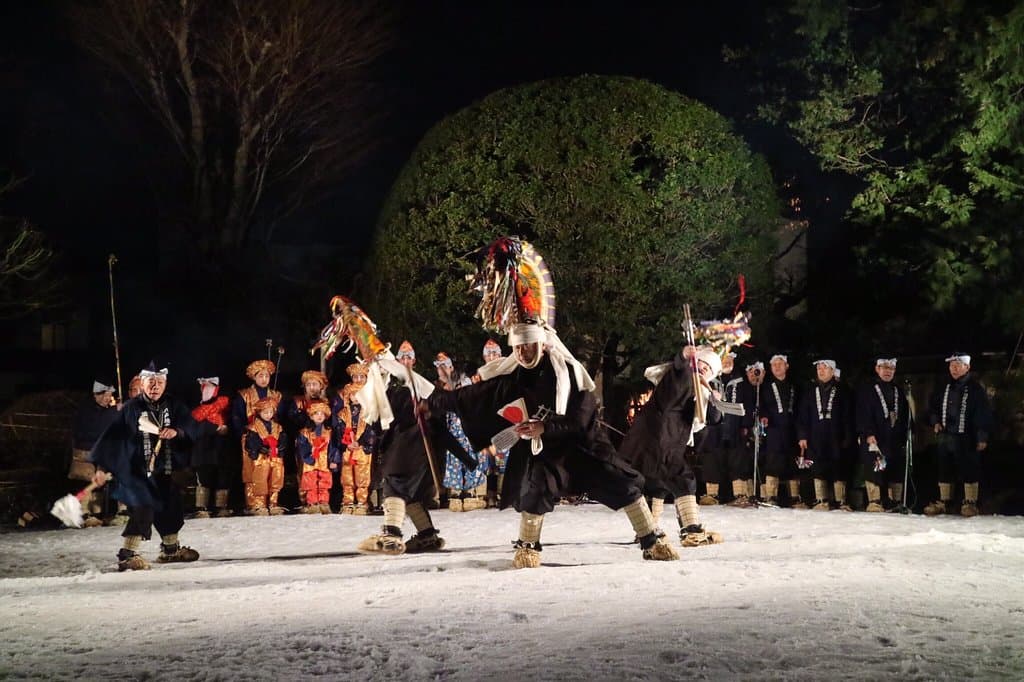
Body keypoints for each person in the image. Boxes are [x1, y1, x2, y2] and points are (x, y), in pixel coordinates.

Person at [427, 320, 677, 568]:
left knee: (621, 481)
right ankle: (527, 546)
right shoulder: (513, 377)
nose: (522, 353)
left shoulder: (570, 373)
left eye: (528, 346)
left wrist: (544, 427)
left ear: (542, 345)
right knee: (536, 489)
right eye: (517, 348)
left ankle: (651, 540)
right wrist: (434, 402)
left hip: (582, 447)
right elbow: (472, 396)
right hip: (544, 453)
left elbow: (580, 420)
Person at [88, 360, 205, 571]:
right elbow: (111, 439)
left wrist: (177, 432)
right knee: (144, 506)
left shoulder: (175, 405)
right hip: (138, 472)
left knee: (171, 506)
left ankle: (170, 550)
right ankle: (127, 554)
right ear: (142, 383)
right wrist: (101, 467)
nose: (155, 386)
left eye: (159, 382)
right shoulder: (131, 408)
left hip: (166, 469)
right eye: (151, 381)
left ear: (165, 383)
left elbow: (192, 428)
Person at [618, 345, 726, 548]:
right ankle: (691, 531)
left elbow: (713, 418)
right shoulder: (681, 376)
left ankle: (647, 532)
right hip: (655, 439)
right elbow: (678, 371)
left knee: (656, 485)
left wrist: (715, 401)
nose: (705, 370)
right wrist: (684, 357)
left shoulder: (703, 392)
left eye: (709, 370)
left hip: (668, 443)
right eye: (703, 364)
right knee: (683, 480)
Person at [356, 340, 453, 555]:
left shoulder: (422, 387)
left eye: (410, 358)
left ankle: (391, 534)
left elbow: (438, 419)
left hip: (412, 451)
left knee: (395, 486)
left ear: (414, 361)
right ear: (397, 361)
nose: (406, 361)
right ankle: (427, 535)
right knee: (412, 494)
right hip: (403, 449)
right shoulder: (393, 388)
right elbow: (380, 419)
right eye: (403, 358)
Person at [925, 353, 993, 517]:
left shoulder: (976, 389)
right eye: (951, 365)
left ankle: (970, 503)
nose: (954, 369)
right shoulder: (943, 386)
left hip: (967, 436)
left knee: (969, 467)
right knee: (944, 467)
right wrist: (935, 421)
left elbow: (982, 414)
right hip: (946, 435)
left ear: (967, 367)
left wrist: (982, 436)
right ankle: (945, 502)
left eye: (958, 365)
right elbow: (932, 408)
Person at [797, 359, 854, 511]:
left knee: (838, 467)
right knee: (818, 467)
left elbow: (848, 415)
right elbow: (803, 415)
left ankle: (840, 501)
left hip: (836, 434)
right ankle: (821, 500)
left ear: (832, 370)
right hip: (815, 435)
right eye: (819, 369)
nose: (821, 371)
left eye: (824, 368)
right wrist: (802, 436)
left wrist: (848, 436)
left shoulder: (843, 390)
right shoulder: (810, 390)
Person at [436, 352, 489, 512]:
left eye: (445, 366)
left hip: (470, 428)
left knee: (474, 455)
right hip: (454, 430)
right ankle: (456, 493)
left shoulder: (464, 383)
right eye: (439, 367)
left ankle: (471, 492)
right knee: (454, 459)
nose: (442, 370)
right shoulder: (440, 388)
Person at [855, 358, 910, 512]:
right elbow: (863, 413)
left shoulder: (898, 390)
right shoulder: (868, 390)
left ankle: (894, 501)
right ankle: (875, 501)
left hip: (893, 437)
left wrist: (906, 433)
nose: (888, 371)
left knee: (894, 467)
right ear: (877, 369)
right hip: (875, 437)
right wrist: (868, 433)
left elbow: (905, 415)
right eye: (884, 368)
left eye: (891, 368)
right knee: (875, 466)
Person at [232, 359, 282, 513]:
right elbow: (237, 417)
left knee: (274, 468)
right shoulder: (244, 394)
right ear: (254, 377)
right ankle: (255, 503)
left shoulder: (275, 395)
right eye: (260, 375)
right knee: (253, 470)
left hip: (272, 435)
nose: (264, 379)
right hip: (252, 437)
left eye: (267, 375)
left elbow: (279, 417)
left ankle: (273, 503)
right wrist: (245, 433)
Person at [70, 379, 121, 527]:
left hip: (99, 452)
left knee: (102, 480)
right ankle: (85, 513)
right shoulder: (87, 411)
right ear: (96, 395)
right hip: (85, 452)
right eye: (106, 395)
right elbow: (94, 430)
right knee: (88, 480)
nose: (108, 398)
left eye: (110, 395)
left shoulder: (106, 411)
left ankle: (96, 513)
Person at [332, 363, 378, 514]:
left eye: (361, 376)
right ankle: (348, 502)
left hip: (362, 449)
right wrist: (345, 443)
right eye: (353, 394)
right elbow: (338, 428)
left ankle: (362, 502)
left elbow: (372, 430)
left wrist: (361, 442)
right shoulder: (343, 413)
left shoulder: (369, 411)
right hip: (348, 449)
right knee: (347, 477)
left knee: (362, 476)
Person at [759, 354, 800, 507]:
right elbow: (761, 405)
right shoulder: (765, 386)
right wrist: (764, 416)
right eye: (774, 364)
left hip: (791, 429)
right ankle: (771, 497)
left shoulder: (794, 385)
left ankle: (795, 497)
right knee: (772, 461)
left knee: (792, 461)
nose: (777, 367)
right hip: (773, 429)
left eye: (780, 364)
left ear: (786, 366)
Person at [189, 376, 233, 518]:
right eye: (205, 387)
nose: (208, 390)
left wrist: (226, 428)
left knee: (223, 477)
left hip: (221, 449)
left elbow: (233, 423)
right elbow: (194, 429)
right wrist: (214, 428)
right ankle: (202, 507)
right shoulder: (197, 412)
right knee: (204, 478)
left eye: (211, 387)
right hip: (203, 450)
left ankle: (222, 507)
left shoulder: (224, 406)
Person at [242, 396, 287, 515]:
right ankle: (259, 504)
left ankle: (273, 503)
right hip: (261, 459)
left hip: (275, 458)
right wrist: (262, 449)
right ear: (259, 412)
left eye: (270, 412)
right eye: (265, 412)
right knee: (260, 480)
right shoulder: (253, 428)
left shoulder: (278, 426)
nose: (268, 415)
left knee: (276, 480)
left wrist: (280, 448)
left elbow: (283, 440)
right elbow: (252, 443)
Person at [295, 399, 337, 514]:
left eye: (321, 414)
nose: (319, 416)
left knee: (324, 483)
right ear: (311, 416)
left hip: (324, 463)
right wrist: (309, 456)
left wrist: (334, 460)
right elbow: (302, 448)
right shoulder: (305, 432)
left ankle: (323, 503)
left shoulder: (329, 432)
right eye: (316, 413)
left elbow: (333, 447)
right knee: (311, 484)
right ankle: (312, 504)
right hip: (310, 463)